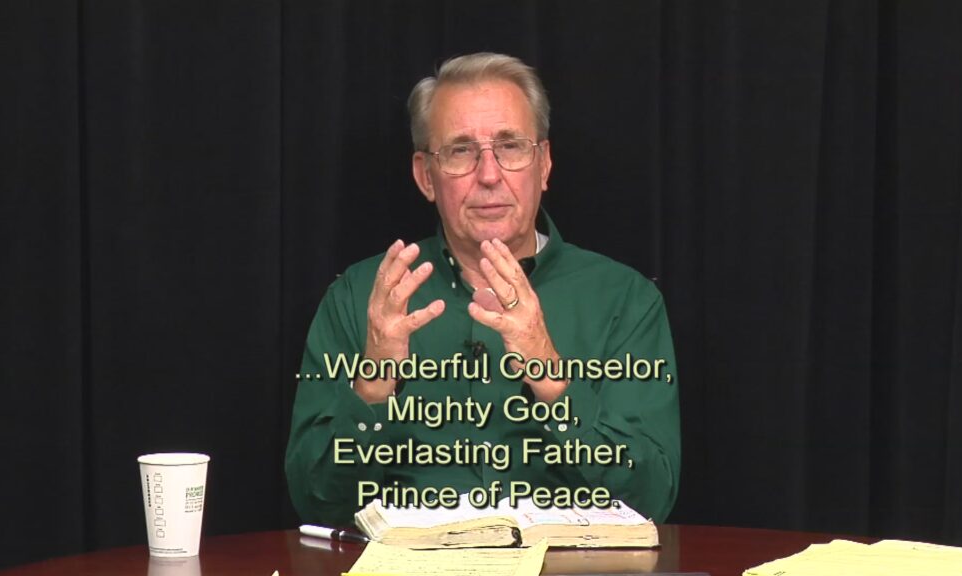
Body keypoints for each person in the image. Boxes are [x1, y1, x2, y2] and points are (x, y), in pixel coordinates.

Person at [285, 53, 679, 526]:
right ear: (425, 176)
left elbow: (649, 500)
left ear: (544, 165)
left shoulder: (625, 300)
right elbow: (315, 502)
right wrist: (374, 384)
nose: (489, 175)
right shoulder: (360, 297)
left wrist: (550, 375)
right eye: (460, 151)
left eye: (510, 147)